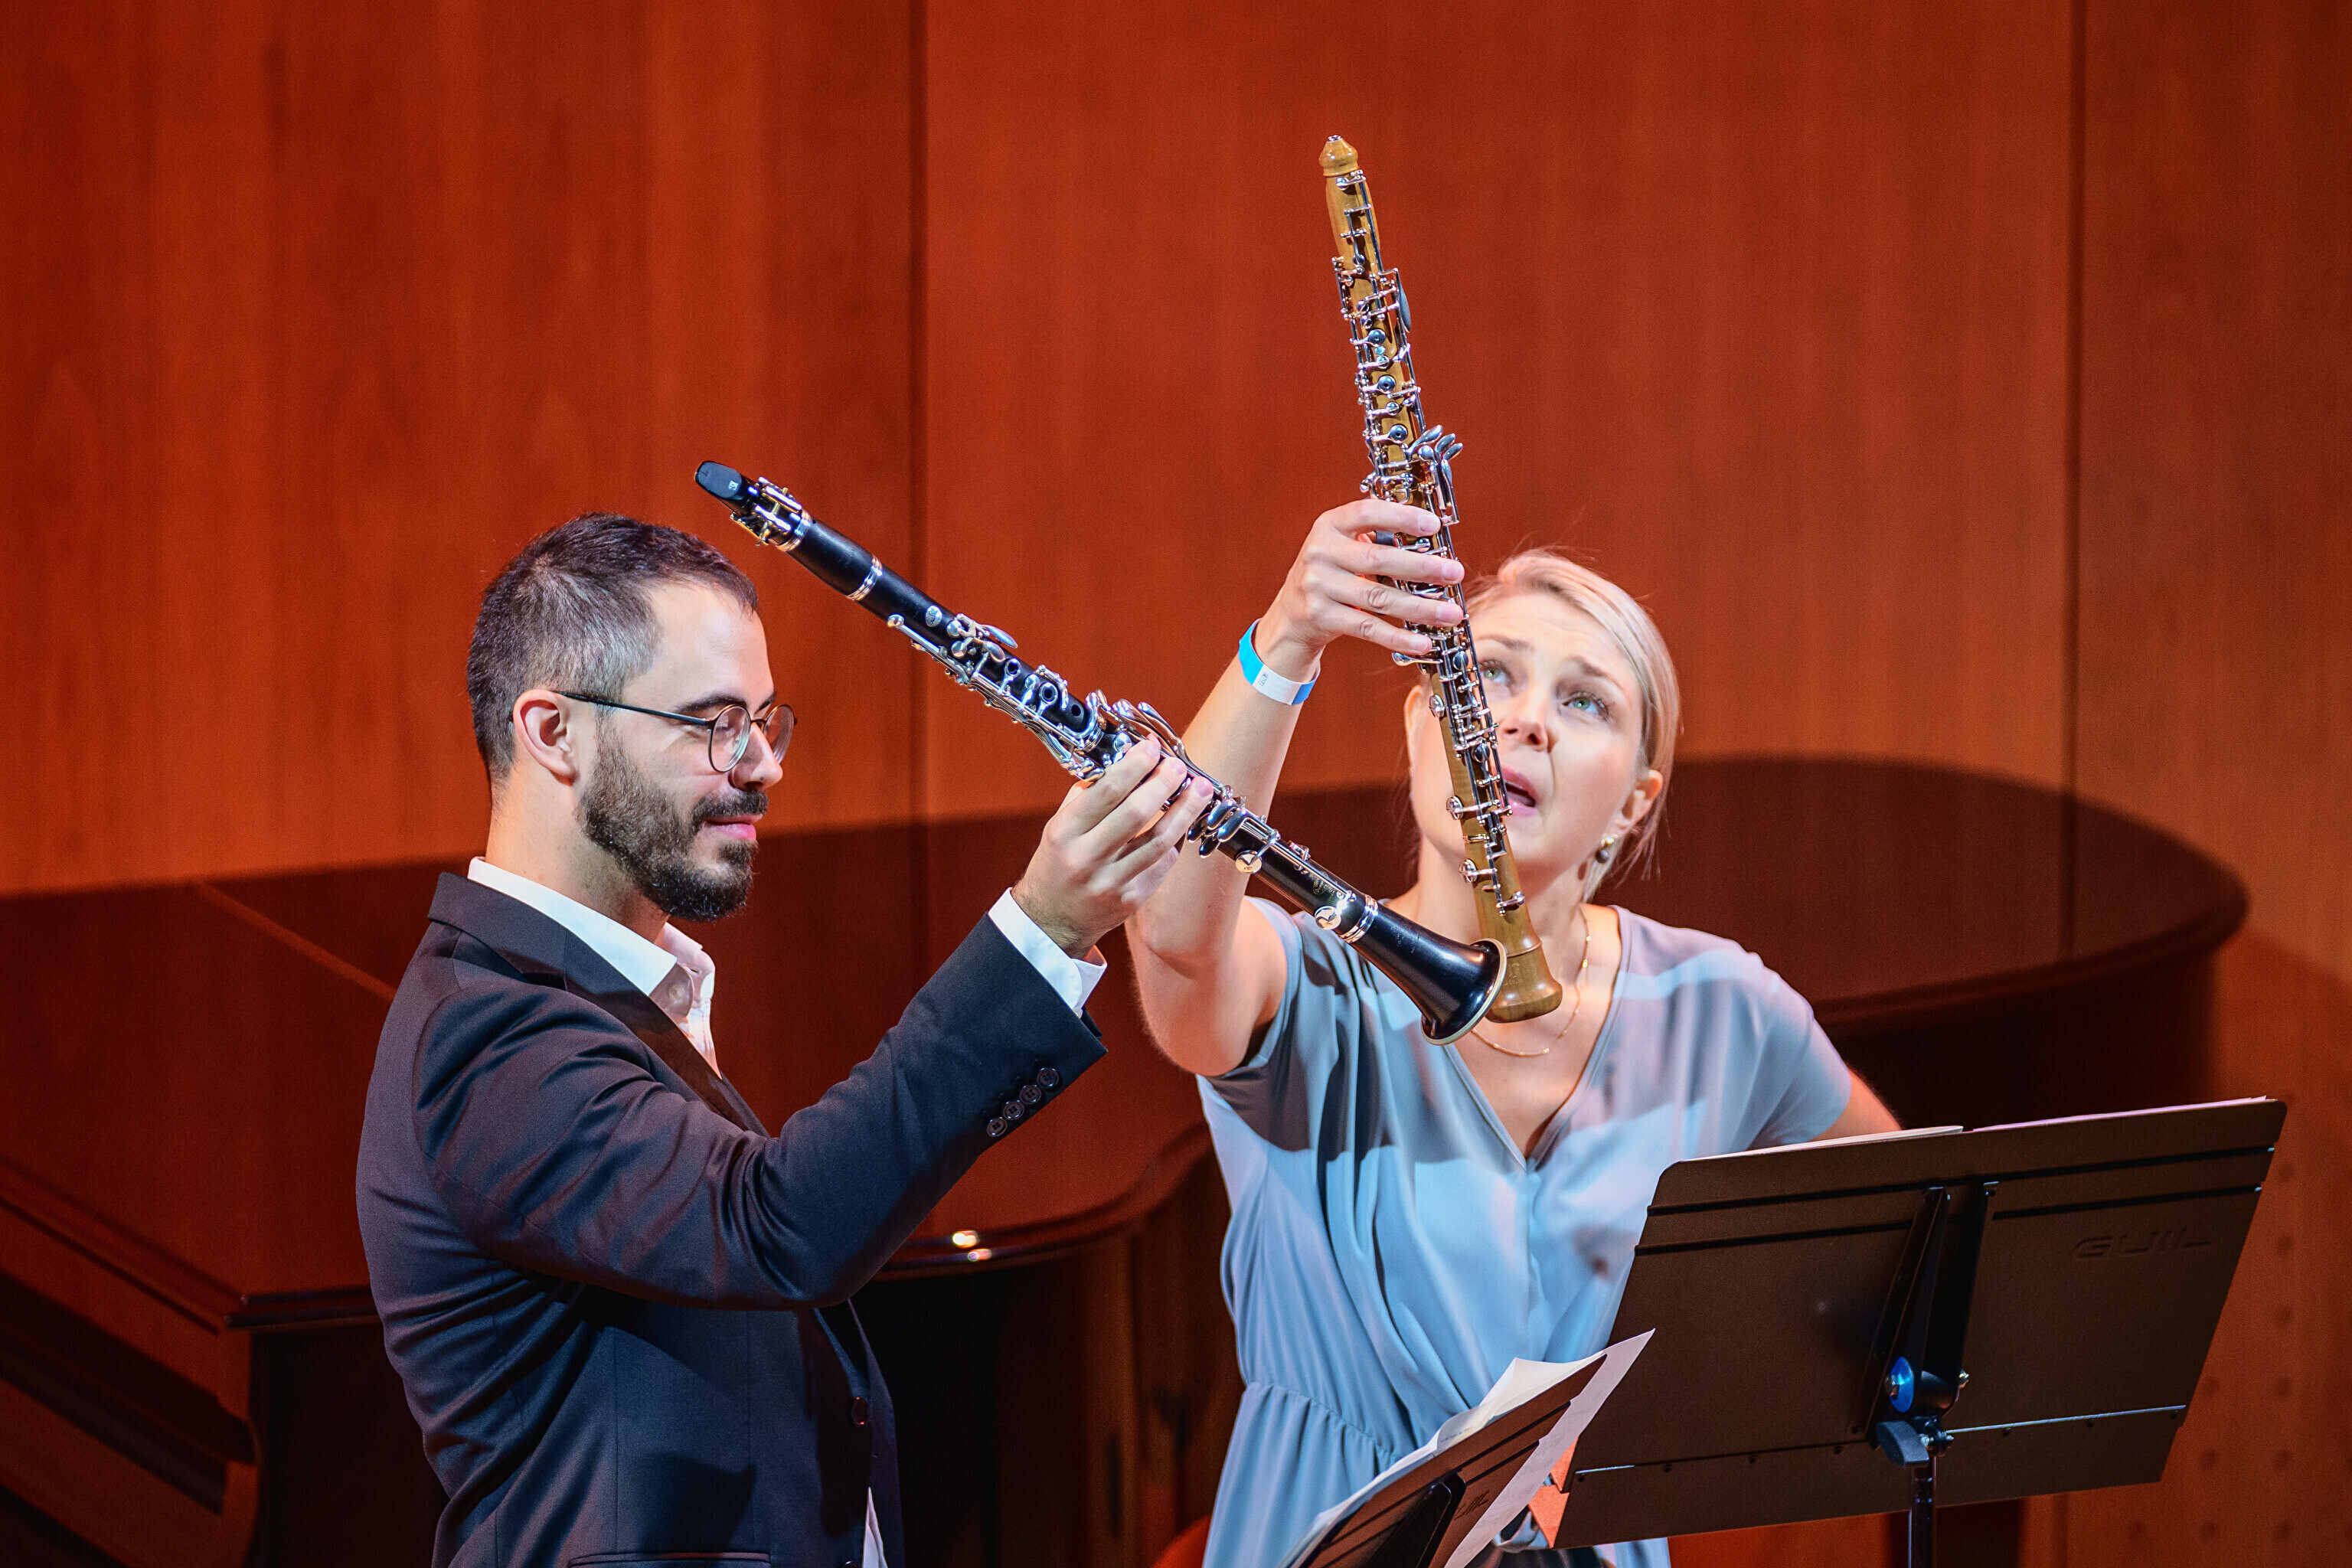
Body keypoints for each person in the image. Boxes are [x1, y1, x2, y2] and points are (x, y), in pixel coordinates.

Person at [357, 512, 1208, 1568]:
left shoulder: (613, 991)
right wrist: (1043, 930)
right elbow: (776, 1226)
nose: (762, 764)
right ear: (553, 733)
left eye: (764, 722)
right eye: (714, 724)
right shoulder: (484, 1037)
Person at [1127, 500, 1900, 1568]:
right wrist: (1289, 637)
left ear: (1633, 805)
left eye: (1585, 702)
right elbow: (1174, 930)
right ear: (1419, 729)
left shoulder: (1719, 1006)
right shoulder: (1301, 980)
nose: (1527, 719)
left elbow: (1908, 1238)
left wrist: (1684, 1418)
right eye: (1488, 675)